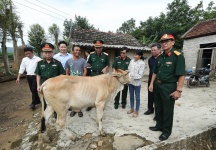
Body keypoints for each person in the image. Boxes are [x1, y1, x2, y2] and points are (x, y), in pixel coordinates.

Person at [148, 30, 185, 141]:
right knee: (158, 107)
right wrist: (151, 84)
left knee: (167, 110)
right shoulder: (160, 57)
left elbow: (181, 75)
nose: (164, 43)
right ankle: (159, 125)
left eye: (167, 41)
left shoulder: (178, 56)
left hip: (169, 87)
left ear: (173, 42)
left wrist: (178, 90)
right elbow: (154, 72)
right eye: (163, 42)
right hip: (157, 86)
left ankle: (166, 131)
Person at [35, 43, 65, 113]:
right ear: (43, 53)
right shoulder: (40, 63)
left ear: (52, 53)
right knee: (45, 99)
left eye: (49, 53)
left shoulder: (58, 63)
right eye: (46, 53)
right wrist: (38, 85)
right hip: (44, 84)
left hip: (55, 85)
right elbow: (38, 75)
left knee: (56, 99)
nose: (47, 54)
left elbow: (62, 75)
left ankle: (55, 113)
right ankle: (46, 113)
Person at [86, 40, 110, 111]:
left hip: (101, 76)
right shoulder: (91, 55)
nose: (98, 49)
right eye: (96, 48)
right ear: (94, 48)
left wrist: (105, 68)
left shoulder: (105, 56)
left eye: (99, 48)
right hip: (93, 75)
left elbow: (108, 64)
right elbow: (89, 63)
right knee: (91, 90)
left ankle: (101, 104)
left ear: (102, 47)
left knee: (102, 91)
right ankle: (90, 105)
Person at [65, 45, 87, 117]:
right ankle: (74, 110)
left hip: (80, 82)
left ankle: (79, 110)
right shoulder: (68, 61)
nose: (78, 51)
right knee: (72, 97)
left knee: (80, 96)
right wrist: (68, 80)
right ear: (72, 51)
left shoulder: (83, 60)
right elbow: (67, 72)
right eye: (76, 50)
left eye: (79, 50)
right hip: (71, 82)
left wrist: (83, 79)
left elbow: (85, 70)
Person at [144, 43, 161, 116]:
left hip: (159, 80)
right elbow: (152, 70)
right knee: (150, 95)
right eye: (152, 50)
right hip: (151, 79)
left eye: (154, 50)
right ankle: (150, 109)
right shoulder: (150, 59)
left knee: (158, 97)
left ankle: (158, 113)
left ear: (159, 50)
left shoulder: (162, 58)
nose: (153, 51)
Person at [127, 50, 145, 117]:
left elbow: (140, 75)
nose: (134, 56)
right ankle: (132, 108)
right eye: (134, 54)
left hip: (137, 83)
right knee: (131, 96)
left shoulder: (142, 63)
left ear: (140, 56)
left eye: (136, 55)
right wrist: (128, 75)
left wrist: (131, 76)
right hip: (130, 82)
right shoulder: (131, 61)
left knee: (137, 97)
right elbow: (129, 69)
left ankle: (136, 110)